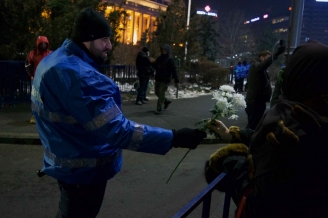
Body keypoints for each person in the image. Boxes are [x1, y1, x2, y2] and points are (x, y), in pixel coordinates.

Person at [31, 7, 206, 218]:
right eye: (104, 39)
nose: (109, 46)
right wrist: (173, 138)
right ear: (88, 38)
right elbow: (119, 131)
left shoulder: (55, 59)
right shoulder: (79, 76)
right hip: (83, 174)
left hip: (66, 163)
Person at [205, 40, 328, 217]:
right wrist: (234, 134)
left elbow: (265, 203)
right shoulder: (309, 119)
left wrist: (236, 167)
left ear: (298, 76)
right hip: (255, 102)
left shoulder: (293, 129)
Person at [245, 45, 285, 130]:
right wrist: (276, 54)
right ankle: (245, 141)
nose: (269, 61)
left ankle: (249, 141)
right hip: (254, 102)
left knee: (255, 125)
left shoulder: (259, 67)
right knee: (252, 126)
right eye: (267, 58)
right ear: (262, 58)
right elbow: (264, 65)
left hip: (258, 102)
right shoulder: (255, 65)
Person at [25, 35, 51, 124]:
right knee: (35, 98)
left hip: (47, 79)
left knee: (47, 98)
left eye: (45, 43)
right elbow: (27, 65)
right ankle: (34, 115)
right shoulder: (32, 54)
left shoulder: (50, 53)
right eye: (42, 43)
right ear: (38, 44)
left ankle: (46, 115)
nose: (43, 45)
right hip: (36, 78)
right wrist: (31, 75)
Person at [152, 44, 179, 115]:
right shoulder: (159, 58)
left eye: (165, 50)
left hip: (165, 79)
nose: (163, 51)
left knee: (161, 93)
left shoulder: (170, 60)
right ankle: (166, 101)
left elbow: (174, 70)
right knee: (157, 92)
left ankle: (159, 109)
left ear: (168, 51)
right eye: (163, 50)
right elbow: (155, 67)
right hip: (158, 78)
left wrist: (176, 79)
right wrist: (152, 63)